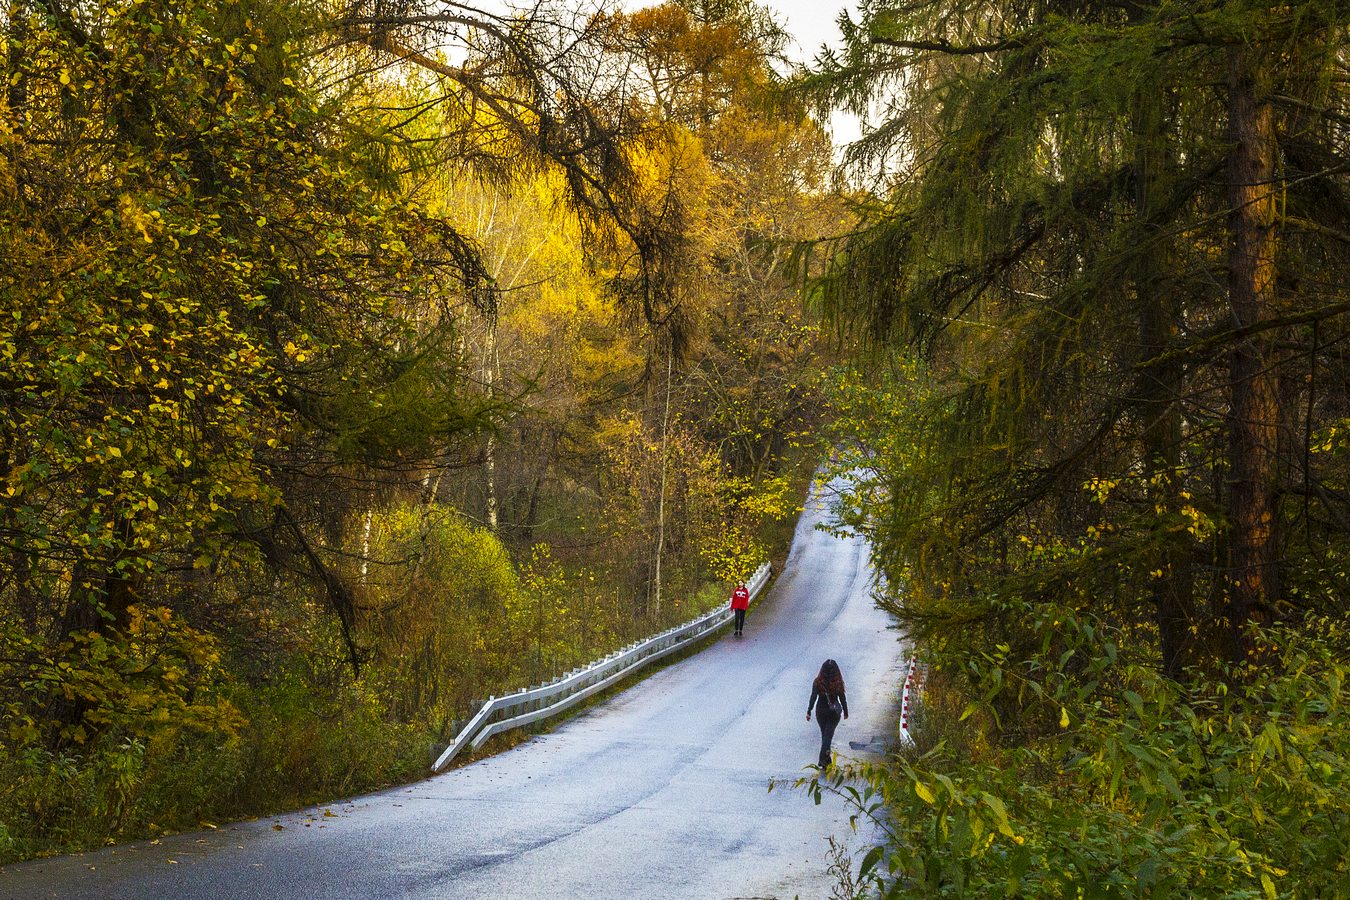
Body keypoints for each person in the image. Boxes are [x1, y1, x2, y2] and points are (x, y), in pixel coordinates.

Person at [806, 659, 848, 768]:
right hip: (833, 713)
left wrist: (809, 711)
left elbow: (813, 697)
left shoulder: (817, 682)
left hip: (820, 711)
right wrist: (845, 711)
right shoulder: (837, 682)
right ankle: (823, 760)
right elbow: (842, 698)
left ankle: (826, 760)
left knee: (825, 735)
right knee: (828, 737)